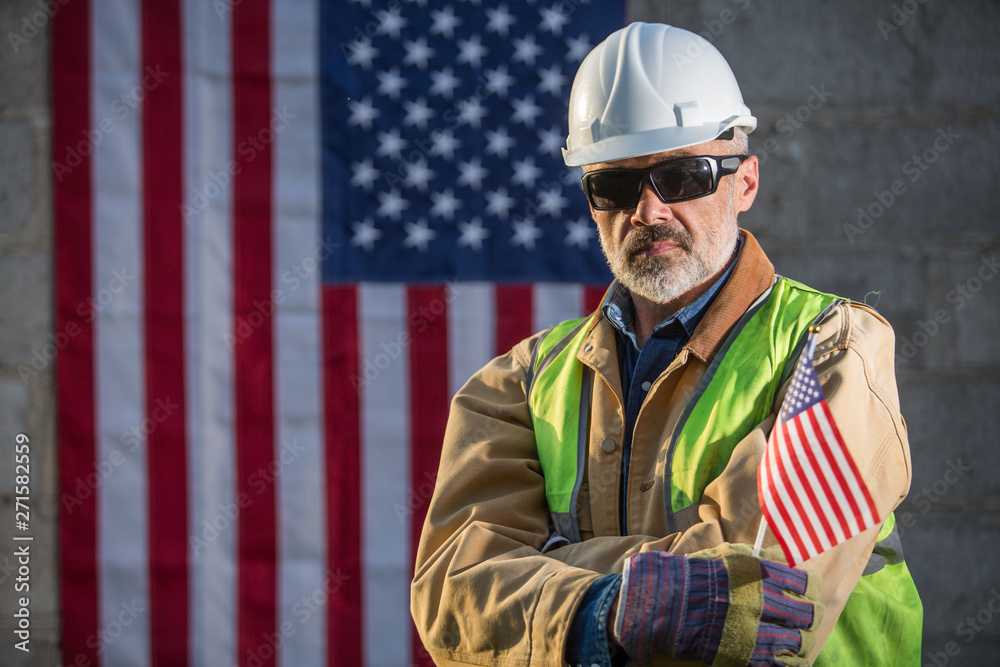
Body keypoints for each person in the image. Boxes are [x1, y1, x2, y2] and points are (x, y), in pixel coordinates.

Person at [411, 22, 921, 666]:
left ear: (746, 182)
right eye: (617, 186)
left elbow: (764, 596)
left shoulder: (831, 348)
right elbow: (450, 596)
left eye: (682, 176)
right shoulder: (517, 383)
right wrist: (608, 610)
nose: (648, 211)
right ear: (591, 202)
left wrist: (550, 577)